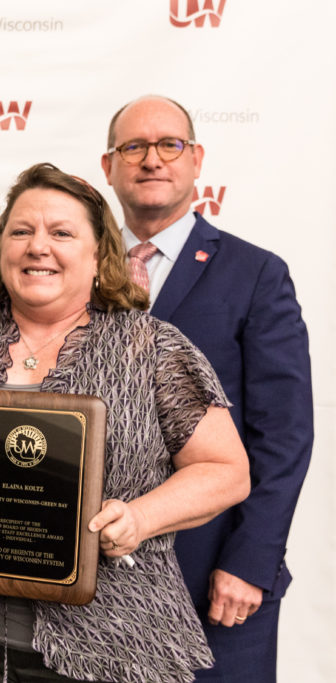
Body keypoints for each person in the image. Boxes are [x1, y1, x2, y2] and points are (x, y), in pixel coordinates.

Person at [0, 162, 251, 682]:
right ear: (2, 250)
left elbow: (227, 470)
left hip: (113, 644)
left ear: (98, 255)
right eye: (21, 231)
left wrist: (141, 519)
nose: (38, 246)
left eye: (61, 232)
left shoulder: (153, 348)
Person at [100, 95, 313, 682]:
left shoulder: (255, 275)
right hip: (95, 578)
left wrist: (251, 560)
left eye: (169, 145)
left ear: (195, 159)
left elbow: (284, 434)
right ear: (108, 166)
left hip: (213, 573)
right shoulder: (75, 270)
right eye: (133, 147)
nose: (151, 160)